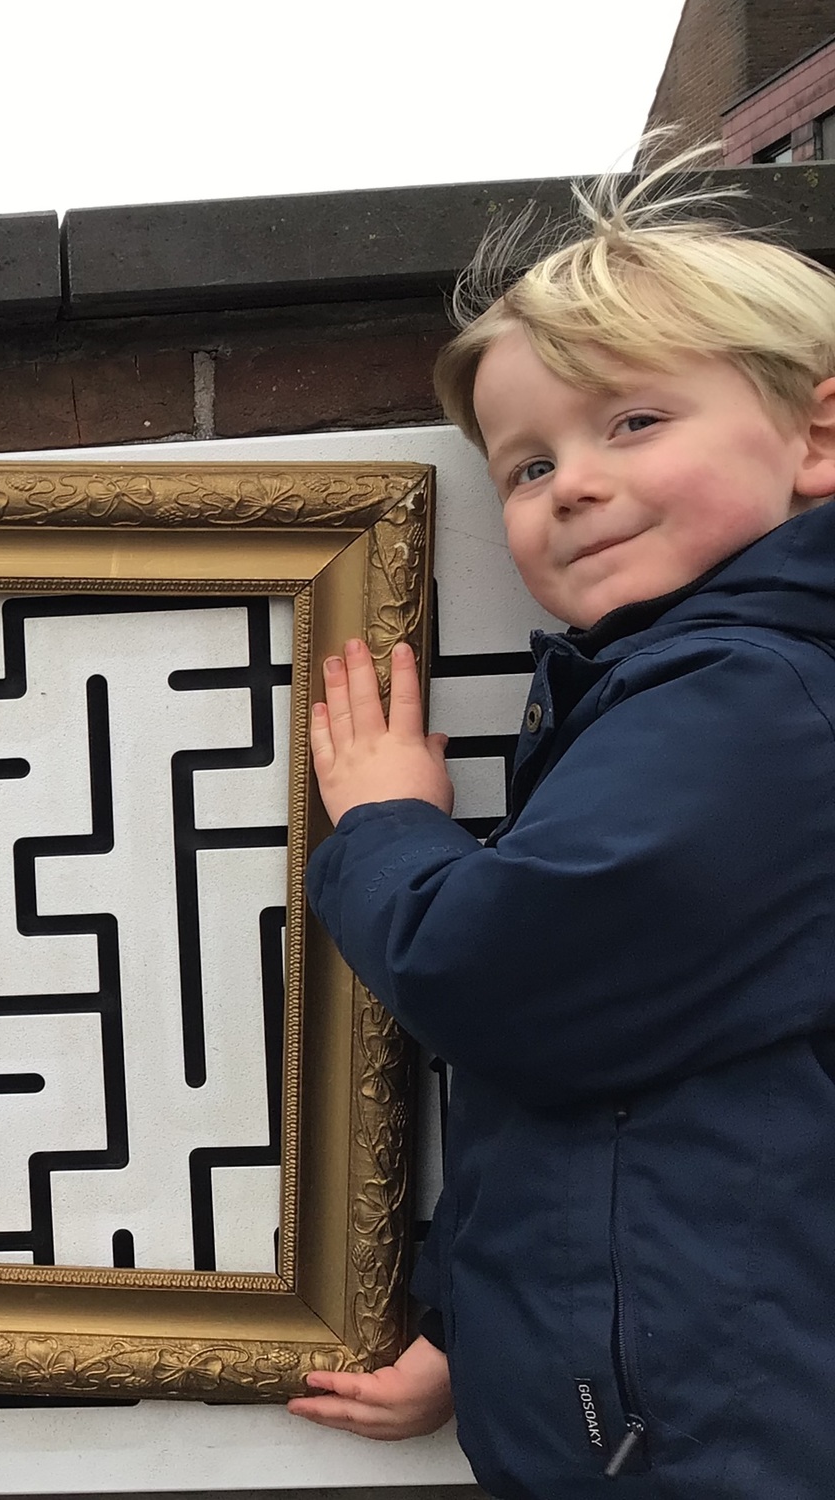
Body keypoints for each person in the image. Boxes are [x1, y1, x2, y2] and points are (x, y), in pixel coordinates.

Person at [286, 153, 835, 1497]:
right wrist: (467, 1329)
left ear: (817, 439)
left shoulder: (751, 694)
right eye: (527, 465)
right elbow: (602, 1095)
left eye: (633, 422)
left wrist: (386, 822)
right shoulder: (690, 687)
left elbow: (507, 979)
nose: (571, 485)